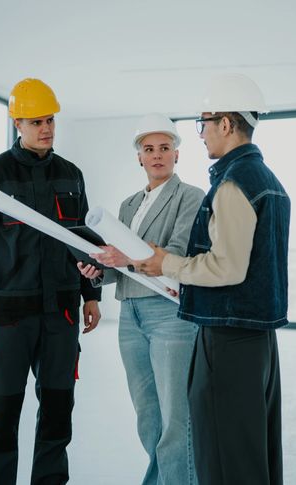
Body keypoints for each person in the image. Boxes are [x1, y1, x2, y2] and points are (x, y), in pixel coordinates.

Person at [132, 74, 290, 485]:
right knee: (252, 450)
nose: (199, 135)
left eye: (203, 123)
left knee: (223, 453)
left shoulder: (234, 184)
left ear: (225, 123)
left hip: (228, 338)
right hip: (257, 340)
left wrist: (167, 263)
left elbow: (227, 267)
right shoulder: (269, 182)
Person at [0, 77, 101, 485]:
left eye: (50, 119)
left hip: (62, 317)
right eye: (36, 121)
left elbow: (85, 242)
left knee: (58, 416)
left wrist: (91, 294)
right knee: (0, 417)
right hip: (8, 318)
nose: (46, 128)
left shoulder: (71, 175)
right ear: (17, 123)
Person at [79, 113, 204, 484]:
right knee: (148, 415)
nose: (157, 155)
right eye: (148, 149)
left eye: (165, 148)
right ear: (139, 157)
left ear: (177, 154)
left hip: (170, 315)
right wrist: (99, 271)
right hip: (130, 314)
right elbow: (123, 266)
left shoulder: (190, 197)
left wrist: (127, 257)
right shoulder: (129, 205)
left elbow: (177, 254)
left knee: (175, 417)